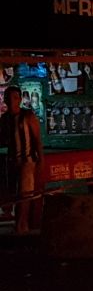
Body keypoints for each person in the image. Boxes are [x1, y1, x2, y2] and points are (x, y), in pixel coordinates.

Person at [2, 85, 43, 234]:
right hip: (13, 162)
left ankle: (22, 225)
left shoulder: (28, 116)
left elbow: (37, 139)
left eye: (14, 98)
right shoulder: (5, 118)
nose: (11, 101)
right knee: (16, 195)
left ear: (19, 99)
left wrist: (41, 160)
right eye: (8, 98)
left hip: (27, 161)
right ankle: (19, 225)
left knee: (25, 194)